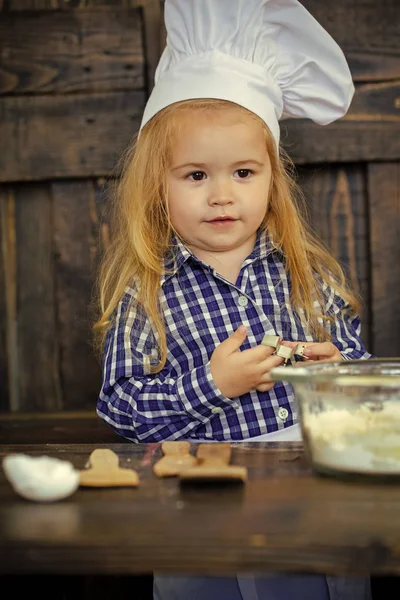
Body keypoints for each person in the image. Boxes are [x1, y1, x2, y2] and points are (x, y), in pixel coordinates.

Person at [93, 1, 372, 598]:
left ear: (272, 178)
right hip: (201, 493)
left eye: (243, 173)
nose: (222, 195)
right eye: (196, 176)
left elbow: (352, 362)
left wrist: (335, 372)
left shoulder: (306, 273)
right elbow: (120, 408)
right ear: (157, 187)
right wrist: (214, 383)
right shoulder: (147, 294)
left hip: (304, 485)